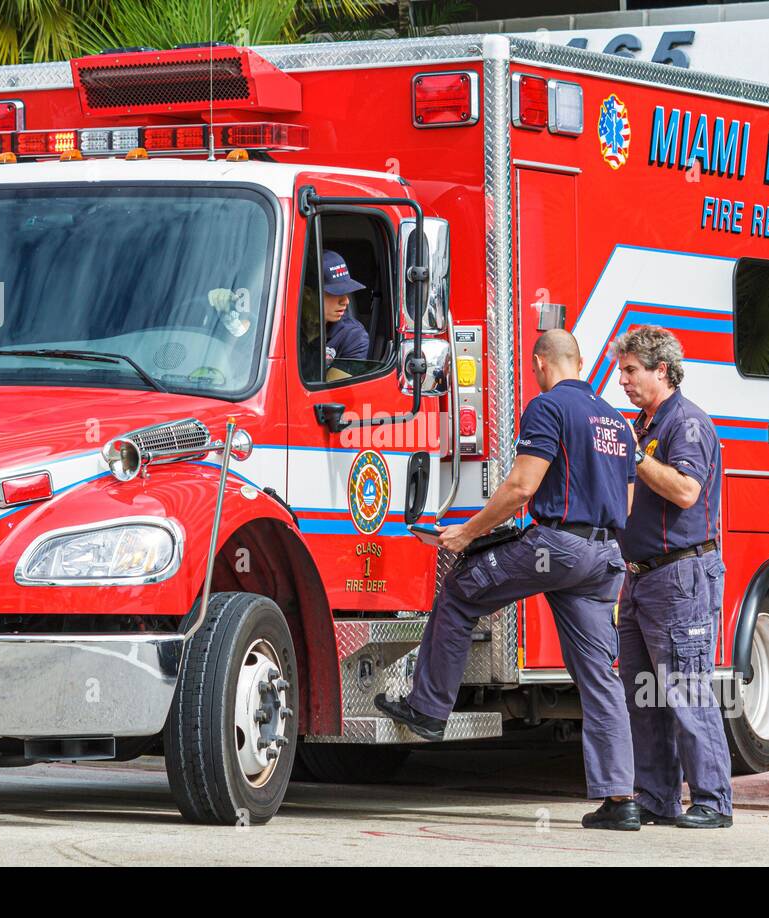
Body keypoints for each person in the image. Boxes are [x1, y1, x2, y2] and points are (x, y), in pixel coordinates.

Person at [375, 329, 641, 830]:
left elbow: (521, 486)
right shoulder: (618, 422)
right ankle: (621, 800)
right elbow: (626, 505)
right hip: (604, 557)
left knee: (459, 591)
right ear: (580, 362)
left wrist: (468, 533)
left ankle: (429, 708)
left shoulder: (548, 407)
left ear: (541, 363)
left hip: (558, 548)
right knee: (600, 678)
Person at [615, 325, 733, 829]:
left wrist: (637, 456)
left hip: (680, 575)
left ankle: (713, 800)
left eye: (631, 370)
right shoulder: (643, 425)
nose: (623, 380)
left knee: (686, 689)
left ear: (661, 370)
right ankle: (658, 797)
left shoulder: (686, 425)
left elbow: (685, 491)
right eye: (622, 370)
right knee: (643, 694)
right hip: (641, 577)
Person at [298, 250, 370, 382]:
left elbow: (329, 395)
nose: (346, 301)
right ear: (308, 293)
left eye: (346, 291)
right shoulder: (278, 325)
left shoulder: (353, 336)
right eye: (336, 292)